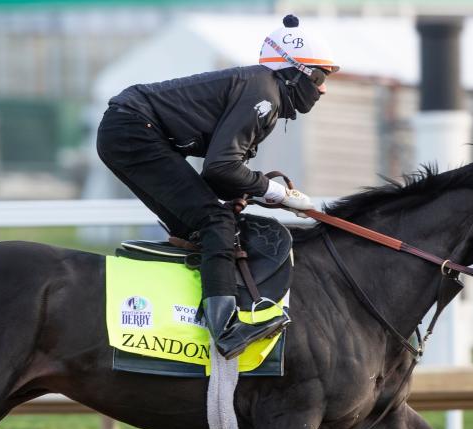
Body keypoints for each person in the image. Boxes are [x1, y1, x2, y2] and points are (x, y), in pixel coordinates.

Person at [97, 14, 338, 359]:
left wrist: (249, 191)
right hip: (133, 129)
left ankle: (183, 317)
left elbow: (217, 175)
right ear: (292, 71)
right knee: (216, 222)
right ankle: (224, 330)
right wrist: (276, 193)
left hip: (128, 128)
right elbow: (222, 166)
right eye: (318, 76)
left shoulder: (263, 88)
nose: (323, 88)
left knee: (202, 224)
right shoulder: (265, 93)